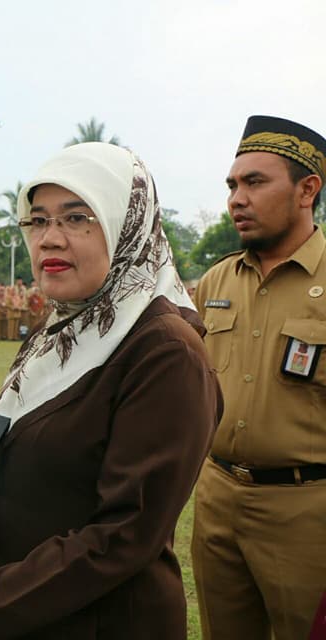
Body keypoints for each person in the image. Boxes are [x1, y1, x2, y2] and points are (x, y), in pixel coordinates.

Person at [0, 142, 221, 640]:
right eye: (37, 221)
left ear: (125, 224)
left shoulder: (164, 350)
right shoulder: (63, 327)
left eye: (77, 218)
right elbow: (64, 436)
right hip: (24, 616)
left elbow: (123, 535)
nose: (49, 239)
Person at [190, 115, 326, 640]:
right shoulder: (216, 281)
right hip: (217, 497)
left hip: (306, 510)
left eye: (254, 182)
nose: (236, 199)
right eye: (231, 185)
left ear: (306, 190)